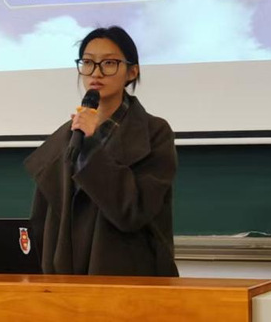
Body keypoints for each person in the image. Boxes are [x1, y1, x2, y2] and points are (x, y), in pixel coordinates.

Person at [24, 26, 178, 276]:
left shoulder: (155, 133)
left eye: (109, 63)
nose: (96, 72)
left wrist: (92, 145)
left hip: (129, 275)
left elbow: (133, 212)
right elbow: (42, 222)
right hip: (65, 279)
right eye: (88, 62)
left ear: (132, 72)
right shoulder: (67, 136)